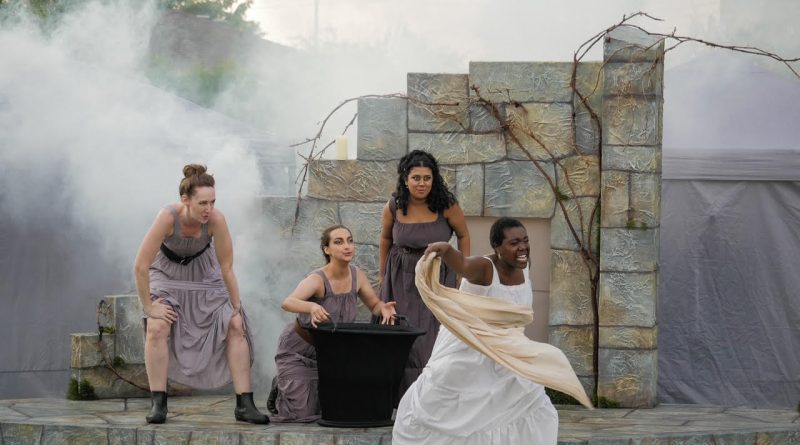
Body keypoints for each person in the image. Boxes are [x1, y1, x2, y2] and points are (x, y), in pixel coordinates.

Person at [393, 217, 559, 444]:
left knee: (533, 405)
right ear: (497, 248)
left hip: (507, 351)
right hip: (470, 348)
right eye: (514, 243)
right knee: (458, 409)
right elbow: (462, 263)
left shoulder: (525, 265)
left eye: (525, 241)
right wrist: (447, 250)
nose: (522, 248)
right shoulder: (484, 268)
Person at [133, 164, 268, 425]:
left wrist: (236, 304)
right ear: (186, 200)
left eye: (213, 202)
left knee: (235, 324)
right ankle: (158, 403)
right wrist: (149, 307)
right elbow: (140, 265)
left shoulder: (216, 220)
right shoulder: (168, 217)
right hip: (166, 273)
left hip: (204, 272)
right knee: (157, 327)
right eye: (203, 203)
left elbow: (226, 267)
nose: (209, 209)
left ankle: (244, 404)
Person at [268, 224, 397, 422]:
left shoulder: (357, 276)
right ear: (327, 250)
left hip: (331, 354)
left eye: (350, 240)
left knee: (335, 410)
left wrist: (384, 308)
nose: (347, 246)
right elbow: (288, 302)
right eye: (338, 242)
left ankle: (295, 385)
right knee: (303, 414)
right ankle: (281, 385)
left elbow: (374, 305)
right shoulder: (317, 279)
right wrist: (311, 307)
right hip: (299, 352)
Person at [378, 149, 470, 401]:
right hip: (401, 277)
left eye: (426, 178)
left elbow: (463, 235)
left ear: (434, 178)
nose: (421, 183)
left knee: (433, 336)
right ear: (405, 178)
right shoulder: (394, 205)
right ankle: (402, 398)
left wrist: (462, 270)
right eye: (416, 177)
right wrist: (383, 273)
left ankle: (434, 396)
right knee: (403, 336)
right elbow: (385, 239)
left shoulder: (446, 204)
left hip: (437, 277)